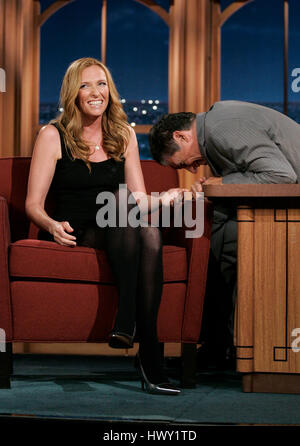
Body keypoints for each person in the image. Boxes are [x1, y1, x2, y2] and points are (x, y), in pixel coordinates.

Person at [25, 57, 185, 395]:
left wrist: (169, 197)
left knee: (149, 231)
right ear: (73, 93)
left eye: (101, 84)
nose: (95, 92)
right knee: (125, 206)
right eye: (85, 85)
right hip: (80, 230)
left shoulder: (123, 134)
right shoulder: (53, 136)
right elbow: (32, 205)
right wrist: (52, 225)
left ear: (110, 91)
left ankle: (136, 334)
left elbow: (138, 199)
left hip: (119, 223)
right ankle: (146, 347)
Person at [148, 100, 300, 369]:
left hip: (289, 212)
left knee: (216, 241)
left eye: (185, 163)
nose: (194, 169)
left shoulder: (222, 127)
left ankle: (221, 345)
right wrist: (216, 188)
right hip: (280, 210)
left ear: (181, 136)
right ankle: (219, 343)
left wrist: (222, 184)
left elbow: (281, 175)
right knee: (213, 231)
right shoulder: (216, 127)